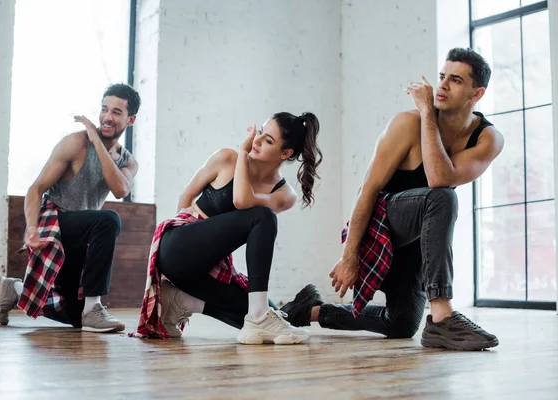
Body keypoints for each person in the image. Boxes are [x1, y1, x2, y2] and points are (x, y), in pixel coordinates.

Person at [282, 48, 504, 351]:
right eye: (442, 77)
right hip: (381, 224)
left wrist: (428, 114)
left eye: (455, 80)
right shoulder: (406, 123)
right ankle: (442, 315)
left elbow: (440, 176)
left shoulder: (487, 138)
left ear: (476, 93)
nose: (441, 86)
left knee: (400, 324)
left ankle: (310, 310)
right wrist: (349, 255)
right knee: (443, 199)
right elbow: (368, 189)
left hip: (416, 240)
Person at [133, 111, 322, 345]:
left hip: (205, 271)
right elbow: (189, 196)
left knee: (263, 311)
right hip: (176, 246)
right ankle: (258, 317)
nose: (257, 140)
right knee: (264, 217)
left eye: (268, 140)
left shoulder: (284, 194)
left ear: (285, 153)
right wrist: (242, 153)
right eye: (260, 132)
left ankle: (179, 301)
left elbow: (243, 200)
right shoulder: (227, 158)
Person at [0, 83, 141, 333]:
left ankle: (14, 289)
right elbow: (36, 188)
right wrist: (31, 228)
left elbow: (121, 190)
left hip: (81, 233)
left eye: (116, 112)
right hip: (57, 223)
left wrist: (97, 139)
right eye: (104, 109)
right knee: (108, 220)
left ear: (131, 119)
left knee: (74, 316)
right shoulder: (75, 143)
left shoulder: (127, 161)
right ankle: (94, 307)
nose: (106, 117)